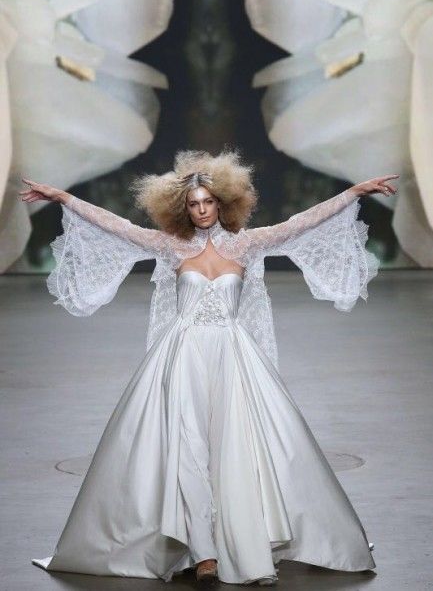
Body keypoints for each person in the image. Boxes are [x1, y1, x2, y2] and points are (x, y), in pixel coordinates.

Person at [20, 149, 398, 585]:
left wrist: (353, 193)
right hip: (182, 357)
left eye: (208, 202)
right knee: (188, 451)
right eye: (193, 203)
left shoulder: (247, 244)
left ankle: (246, 542)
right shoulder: (171, 245)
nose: (201, 210)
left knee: (240, 449)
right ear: (182, 208)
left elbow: (301, 223)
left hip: (234, 358)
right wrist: (64, 198)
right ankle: (203, 554)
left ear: (223, 203)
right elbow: (116, 225)